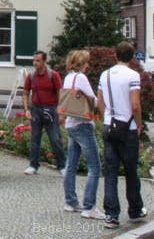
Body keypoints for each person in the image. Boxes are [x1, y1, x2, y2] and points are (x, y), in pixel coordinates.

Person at [97, 41, 146, 230]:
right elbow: (135, 104)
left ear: (115, 55)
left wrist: (106, 118)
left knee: (111, 172)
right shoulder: (133, 75)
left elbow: (100, 102)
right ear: (132, 57)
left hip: (110, 125)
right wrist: (139, 124)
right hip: (128, 128)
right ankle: (135, 210)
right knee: (131, 171)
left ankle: (111, 215)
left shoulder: (105, 74)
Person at [61, 50, 103, 219]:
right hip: (82, 124)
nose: (88, 65)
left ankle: (70, 201)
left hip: (71, 123)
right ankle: (89, 206)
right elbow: (93, 99)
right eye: (86, 62)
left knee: (71, 165)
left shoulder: (68, 77)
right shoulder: (81, 78)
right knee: (95, 166)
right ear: (81, 63)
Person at [22, 50, 65, 174]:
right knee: (35, 138)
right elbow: (25, 93)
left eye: (38, 60)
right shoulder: (31, 76)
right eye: (34, 60)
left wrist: (61, 111)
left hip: (51, 109)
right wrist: (26, 109)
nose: (35, 63)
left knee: (55, 139)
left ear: (44, 61)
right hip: (36, 109)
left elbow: (60, 93)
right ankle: (33, 165)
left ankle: (62, 166)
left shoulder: (53, 75)